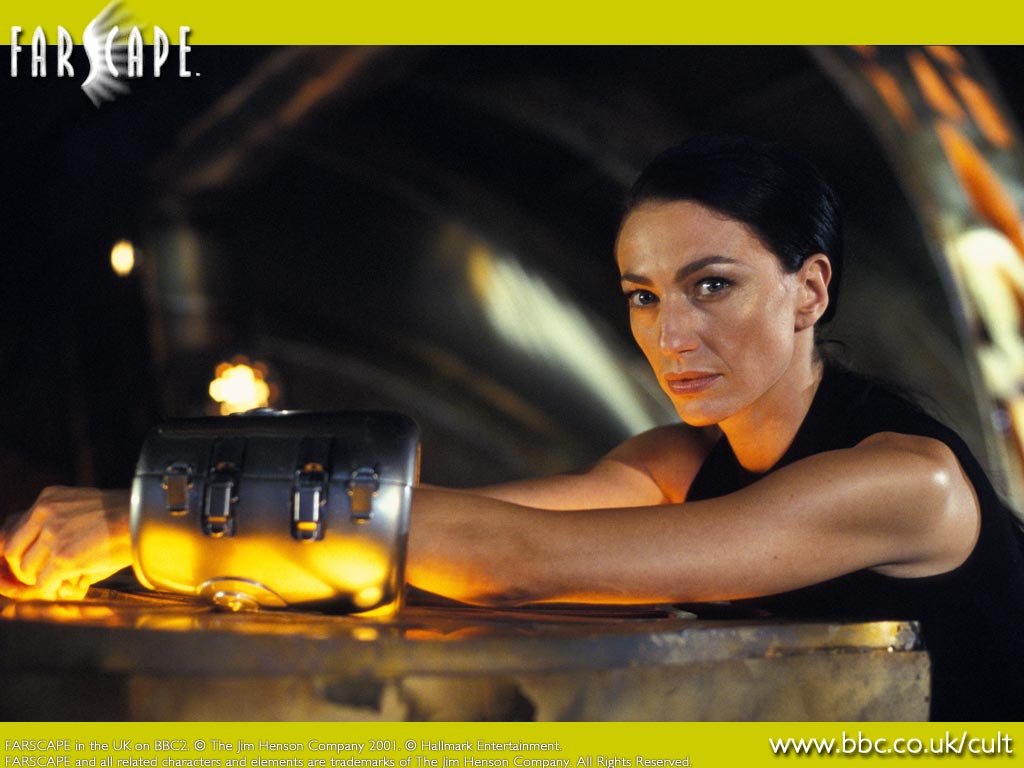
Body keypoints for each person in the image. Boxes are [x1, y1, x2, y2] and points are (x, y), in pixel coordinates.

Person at [3, 135, 1023, 720]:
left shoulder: (905, 483)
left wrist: (153, 518)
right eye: (643, 296)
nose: (670, 335)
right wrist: (184, 548)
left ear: (810, 291)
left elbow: (520, 563)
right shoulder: (675, 464)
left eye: (711, 285)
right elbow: (441, 527)